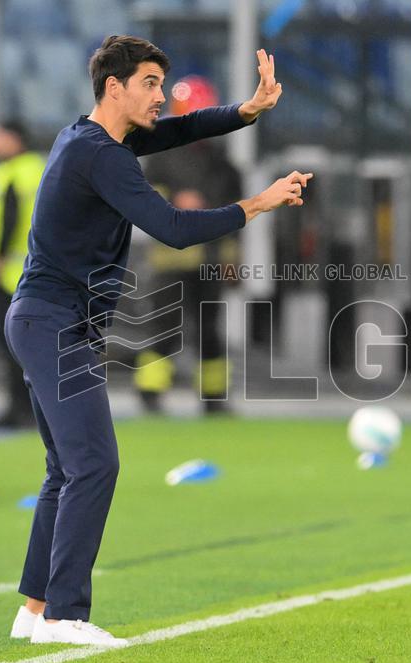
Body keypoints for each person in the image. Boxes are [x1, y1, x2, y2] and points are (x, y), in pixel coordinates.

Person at [4, 35, 311, 646]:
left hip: (47, 319)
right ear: (114, 87)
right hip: (52, 321)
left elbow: (183, 128)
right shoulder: (103, 155)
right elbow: (171, 228)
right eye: (149, 83)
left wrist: (247, 111)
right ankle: (65, 616)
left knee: (65, 469)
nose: (161, 96)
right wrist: (259, 203)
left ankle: (35, 611)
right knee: (94, 464)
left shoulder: (90, 137)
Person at [133, 75, 243, 415]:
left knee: (209, 331)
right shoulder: (161, 154)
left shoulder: (223, 162)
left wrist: (233, 259)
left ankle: (214, 398)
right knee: (164, 327)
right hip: (171, 258)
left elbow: (237, 213)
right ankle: (149, 393)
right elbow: (146, 197)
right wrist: (178, 200)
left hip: (210, 258)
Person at [0, 120, 45, 428]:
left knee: (14, 349)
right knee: (29, 349)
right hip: (32, 272)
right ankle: (30, 410)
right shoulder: (36, 169)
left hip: (9, 276)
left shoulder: (13, 173)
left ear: (14, 138)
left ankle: (19, 410)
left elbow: (9, 220)